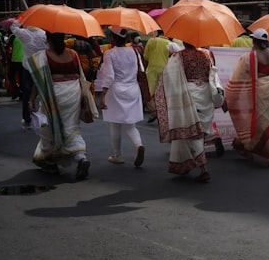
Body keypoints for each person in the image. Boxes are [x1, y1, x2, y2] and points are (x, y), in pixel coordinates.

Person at [27, 31, 93, 180]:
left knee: (49, 129)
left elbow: (38, 82)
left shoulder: (43, 56)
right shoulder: (73, 54)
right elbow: (81, 74)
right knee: (72, 127)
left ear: (48, 39)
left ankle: (50, 159)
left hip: (54, 95)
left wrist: (31, 99)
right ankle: (81, 157)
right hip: (73, 93)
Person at [154, 40, 221, 183]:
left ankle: (204, 169)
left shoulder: (179, 57)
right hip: (205, 95)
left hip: (188, 95)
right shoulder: (207, 54)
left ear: (184, 41)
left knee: (192, 133)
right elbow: (212, 74)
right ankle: (185, 165)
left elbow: (169, 77)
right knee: (197, 132)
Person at [226, 29, 269, 168]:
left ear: (254, 41)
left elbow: (238, 77)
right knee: (265, 124)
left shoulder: (250, 57)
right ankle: (244, 148)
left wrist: (230, 95)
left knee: (262, 126)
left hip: (259, 92)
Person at [98, 27, 146, 167]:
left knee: (115, 124)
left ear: (112, 38)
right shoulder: (134, 51)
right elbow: (141, 70)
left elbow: (109, 76)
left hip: (116, 90)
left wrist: (103, 95)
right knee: (131, 125)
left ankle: (117, 155)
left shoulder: (109, 53)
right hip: (133, 88)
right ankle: (138, 145)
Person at [142, 31, 170, 122]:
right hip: (165, 70)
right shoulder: (170, 43)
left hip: (152, 69)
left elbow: (145, 56)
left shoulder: (151, 40)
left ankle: (155, 111)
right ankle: (162, 112)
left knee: (150, 92)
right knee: (162, 92)